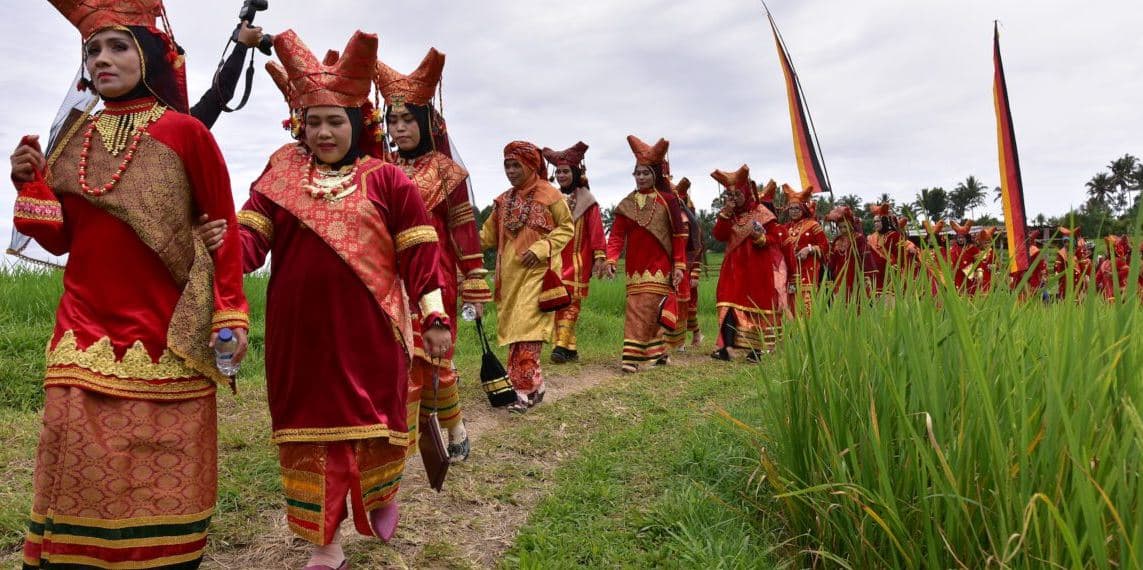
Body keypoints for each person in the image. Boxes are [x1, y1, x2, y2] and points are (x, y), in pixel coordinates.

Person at [11, 2, 248, 567]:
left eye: (117, 47)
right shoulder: (73, 137)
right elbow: (62, 238)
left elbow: (224, 230)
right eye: (92, 50)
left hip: (165, 326)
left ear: (148, 55)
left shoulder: (187, 133)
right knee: (77, 459)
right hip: (81, 328)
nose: (102, 60)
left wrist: (231, 312)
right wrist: (29, 184)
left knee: (158, 464)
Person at [237, 30, 451, 567]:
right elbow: (251, 241)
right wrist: (214, 240)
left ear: (359, 124)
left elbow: (420, 253)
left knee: (376, 424)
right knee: (309, 436)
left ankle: (379, 493)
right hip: (298, 335)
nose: (324, 131)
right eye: (314, 122)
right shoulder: (280, 175)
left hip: (372, 328)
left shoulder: (387, 181)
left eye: (336, 121)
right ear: (299, 125)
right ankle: (325, 540)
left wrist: (434, 315)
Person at [376, 47, 488, 462]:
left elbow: (463, 229)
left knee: (434, 355)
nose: (399, 127)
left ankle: (455, 425)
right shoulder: (379, 166)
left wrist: (474, 283)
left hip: (434, 274)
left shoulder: (447, 172)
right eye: (393, 119)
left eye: (408, 119)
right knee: (395, 357)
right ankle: (402, 438)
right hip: (388, 274)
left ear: (426, 122)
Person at [480, 142, 574, 412]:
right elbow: (486, 236)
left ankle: (527, 390)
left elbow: (567, 228)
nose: (510, 171)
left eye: (516, 165)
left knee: (528, 329)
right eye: (507, 165)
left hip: (538, 274)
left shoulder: (550, 194)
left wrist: (543, 246)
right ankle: (526, 386)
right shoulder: (503, 200)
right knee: (515, 333)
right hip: (509, 278)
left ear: (532, 166)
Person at [603, 136, 689, 373]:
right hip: (635, 267)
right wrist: (612, 258)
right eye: (637, 173)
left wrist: (680, 266)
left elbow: (679, 236)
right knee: (638, 307)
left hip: (661, 265)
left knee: (652, 307)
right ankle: (646, 354)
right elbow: (617, 235)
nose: (640, 177)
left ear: (655, 175)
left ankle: (642, 355)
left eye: (645, 173)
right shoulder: (627, 204)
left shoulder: (669, 200)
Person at [709, 166, 786, 362]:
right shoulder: (730, 214)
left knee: (755, 308)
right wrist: (725, 213)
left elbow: (775, 239)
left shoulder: (762, 213)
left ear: (746, 192)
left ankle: (756, 350)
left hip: (756, 268)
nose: (735, 198)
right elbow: (719, 235)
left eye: (737, 194)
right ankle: (726, 348)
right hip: (733, 268)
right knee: (727, 304)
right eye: (730, 194)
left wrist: (760, 238)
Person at [542, 141, 605, 364]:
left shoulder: (588, 201)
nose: (560, 175)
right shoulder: (551, 199)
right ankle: (570, 347)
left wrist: (599, 256)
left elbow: (597, 230)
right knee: (559, 300)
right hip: (556, 258)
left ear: (576, 172)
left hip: (578, 258)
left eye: (565, 171)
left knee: (570, 300)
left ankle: (560, 346)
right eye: (557, 171)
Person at [190, 21, 265, 128]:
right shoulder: (181, 125)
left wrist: (242, 44)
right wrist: (242, 45)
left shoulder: (173, 122)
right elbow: (221, 92)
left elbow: (220, 93)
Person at [780, 184, 828, 316]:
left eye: (797, 208)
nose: (793, 211)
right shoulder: (785, 228)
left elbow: (825, 247)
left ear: (803, 208)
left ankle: (809, 334)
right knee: (791, 307)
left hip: (807, 273)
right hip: (790, 274)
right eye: (791, 208)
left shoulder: (813, 225)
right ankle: (793, 335)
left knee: (807, 309)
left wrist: (809, 249)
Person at [673, 177, 704, 347]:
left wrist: (695, 273)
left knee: (687, 305)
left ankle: (693, 335)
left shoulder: (692, 224)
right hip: (671, 265)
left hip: (687, 267)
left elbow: (698, 249)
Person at [825, 205, 869, 301]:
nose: (843, 229)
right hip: (839, 276)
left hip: (855, 275)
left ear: (851, 225)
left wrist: (866, 276)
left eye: (845, 226)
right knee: (840, 302)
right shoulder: (837, 240)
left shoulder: (858, 238)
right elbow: (831, 261)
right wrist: (828, 274)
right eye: (840, 227)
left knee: (855, 301)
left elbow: (865, 257)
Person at [865, 203, 902, 294]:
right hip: (875, 275)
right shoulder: (871, 237)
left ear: (885, 221)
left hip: (890, 274)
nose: (876, 224)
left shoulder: (894, 236)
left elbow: (900, 257)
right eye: (874, 222)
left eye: (878, 221)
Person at [1054, 226, 1093, 300]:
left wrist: (1086, 276)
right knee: (1065, 297)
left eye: (1068, 242)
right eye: (1065, 242)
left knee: (1077, 297)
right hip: (1066, 279)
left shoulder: (1078, 252)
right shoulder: (1061, 253)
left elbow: (1084, 265)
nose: (1066, 244)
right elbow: (1057, 266)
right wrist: (1057, 274)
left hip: (1077, 279)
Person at [948, 221, 980, 293]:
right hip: (957, 274)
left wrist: (978, 271)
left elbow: (978, 262)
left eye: (962, 238)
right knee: (958, 292)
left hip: (970, 273)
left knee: (970, 291)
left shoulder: (973, 248)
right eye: (959, 238)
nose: (960, 239)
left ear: (966, 238)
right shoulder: (953, 249)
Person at [1095, 235, 1130, 302]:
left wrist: (1113, 274)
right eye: (1108, 248)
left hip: (1120, 295)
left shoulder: (1119, 260)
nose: (1107, 250)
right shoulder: (1104, 263)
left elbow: (1127, 270)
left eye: (1109, 248)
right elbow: (1096, 280)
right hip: (1108, 298)